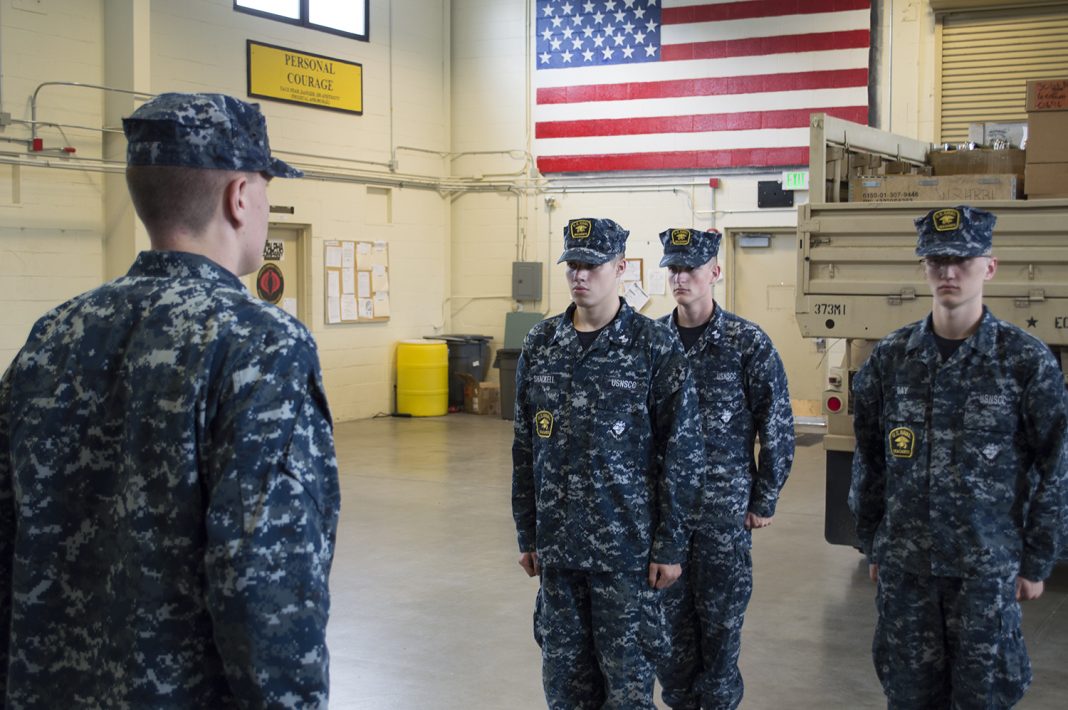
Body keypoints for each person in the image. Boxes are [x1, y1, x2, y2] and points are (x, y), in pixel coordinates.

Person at [0, 92, 341, 708]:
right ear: (240, 197)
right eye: (265, 187)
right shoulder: (261, 343)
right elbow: (265, 581)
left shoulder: (52, 335)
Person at [850, 205, 1067, 708]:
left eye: (963, 260)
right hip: (907, 569)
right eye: (937, 259)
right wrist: (873, 542)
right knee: (908, 694)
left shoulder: (1024, 360)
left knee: (983, 695)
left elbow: (1054, 465)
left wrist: (1036, 560)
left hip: (984, 571)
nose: (949, 272)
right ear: (922, 267)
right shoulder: (891, 358)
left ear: (989, 267)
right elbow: (870, 459)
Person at [512, 217, 703, 709]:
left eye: (591, 265)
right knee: (565, 690)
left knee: (628, 692)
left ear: (619, 267)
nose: (580, 276)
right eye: (572, 265)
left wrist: (670, 545)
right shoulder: (541, 344)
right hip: (558, 552)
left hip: (628, 557)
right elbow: (524, 449)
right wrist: (527, 533)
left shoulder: (654, 347)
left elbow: (681, 456)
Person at [654, 228, 795, 709]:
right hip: (665, 518)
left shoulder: (745, 342)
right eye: (672, 269)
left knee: (718, 632)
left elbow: (775, 420)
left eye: (690, 268)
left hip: (723, 515)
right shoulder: (652, 342)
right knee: (670, 639)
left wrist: (765, 497)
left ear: (714, 272)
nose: (680, 278)